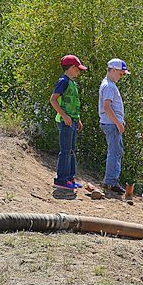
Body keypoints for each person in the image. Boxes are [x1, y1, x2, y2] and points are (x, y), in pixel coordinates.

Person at [49, 54, 87, 190]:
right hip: (65, 122)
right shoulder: (63, 81)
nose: (79, 71)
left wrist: (78, 119)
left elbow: (73, 104)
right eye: (77, 69)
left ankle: (70, 179)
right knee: (65, 151)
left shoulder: (72, 82)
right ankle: (61, 180)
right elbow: (53, 100)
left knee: (71, 151)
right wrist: (64, 116)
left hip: (73, 122)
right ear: (71, 67)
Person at [99, 58, 130, 194]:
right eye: (121, 73)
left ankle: (111, 181)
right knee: (115, 152)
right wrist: (118, 123)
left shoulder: (109, 84)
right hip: (112, 124)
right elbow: (107, 107)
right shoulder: (109, 86)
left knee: (116, 151)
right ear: (113, 70)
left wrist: (119, 120)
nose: (121, 76)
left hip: (112, 123)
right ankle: (111, 182)